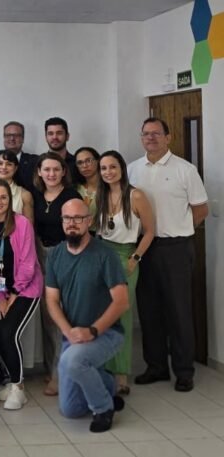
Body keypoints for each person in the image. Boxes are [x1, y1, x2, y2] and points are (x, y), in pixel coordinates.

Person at [128, 117, 208, 392]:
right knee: (149, 310)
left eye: (156, 133)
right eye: (146, 133)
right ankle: (156, 366)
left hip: (175, 248)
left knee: (179, 310)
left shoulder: (185, 170)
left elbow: (201, 209)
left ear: (168, 137)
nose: (150, 138)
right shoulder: (132, 170)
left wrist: (180, 229)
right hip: (144, 248)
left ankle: (184, 371)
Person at [45, 198, 129, 433]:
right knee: (70, 410)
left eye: (78, 218)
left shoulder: (105, 255)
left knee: (74, 362)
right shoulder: (56, 255)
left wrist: (92, 331)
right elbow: (51, 300)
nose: (72, 223)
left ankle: (103, 408)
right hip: (72, 335)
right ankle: (106, 383)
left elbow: (122, 302)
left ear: (89, 221)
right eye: (67, 218)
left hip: (106, 333)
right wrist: (68, 332)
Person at [96, 150, 155, 395]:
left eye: (113, 167)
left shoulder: (136, 195)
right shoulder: (100, 195)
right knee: (101, 314)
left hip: (126, 257)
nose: (108, 172)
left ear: (122, 168)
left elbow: (150, 231)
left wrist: (135, 257)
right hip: (102, 255)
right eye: (103, 168)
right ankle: (104, 369)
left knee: (122, 315)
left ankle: (121, 374)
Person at [0, 180, 43, 410]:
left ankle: (19, 387)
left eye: (4, 197)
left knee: (9, 334)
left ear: (10, 200)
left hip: (26, 289)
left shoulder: (22, 223)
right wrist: (1, 297)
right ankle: (11, 381)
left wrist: (14, 294)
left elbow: (28, 263)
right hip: (1, 290)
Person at [31, 152, 81, 395]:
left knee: (62, 316)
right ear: (39, 172)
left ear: (63, 172)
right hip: (41, 256)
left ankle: (61, 377)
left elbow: (79, 231)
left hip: (66, 256)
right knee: (48, 316)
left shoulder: (71, 197)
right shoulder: (36, 196)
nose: (51, 174)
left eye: (56, 169)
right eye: (47, 169)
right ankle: (52, 370)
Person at [3, 121, 38, 191]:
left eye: (16, 135)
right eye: (8, 135)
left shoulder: (35, 161)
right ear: (4, 138)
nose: (12, 138)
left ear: (23, 139)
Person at [44, 117, 80, 183]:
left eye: (59, 133)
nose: (54, 137)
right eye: (50, 133)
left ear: (67, 136)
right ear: (46, 137)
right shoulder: (38, 164)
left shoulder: (77, 164)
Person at [75, 147, 101, 233]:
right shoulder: (75, 188)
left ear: (97, 161)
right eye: (80, 163)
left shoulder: (108, 188)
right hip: (78, 233)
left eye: (88, 160)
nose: (84, 166)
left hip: (102, 235)